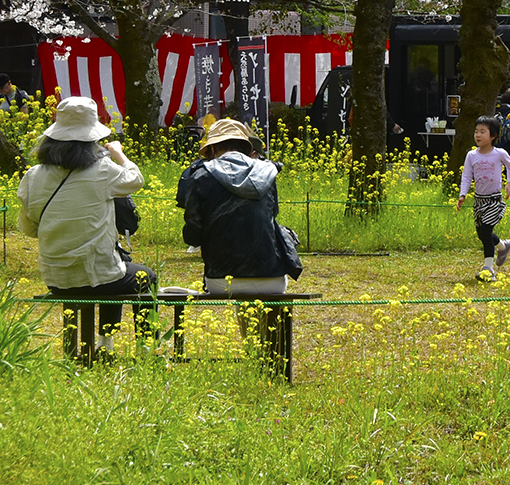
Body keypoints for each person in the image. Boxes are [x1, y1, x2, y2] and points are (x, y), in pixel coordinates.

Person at [17, 97, 148, 349]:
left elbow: (29, 229)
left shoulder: (32, 177)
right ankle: (136, 347)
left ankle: (90, 345)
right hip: (98, 276)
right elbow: (136, 180)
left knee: (118, 265)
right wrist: (119, 153)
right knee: (144, 277)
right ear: (92, 139)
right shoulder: (102, 170)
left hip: (56, 279)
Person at [177, 118, 303, 296]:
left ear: (212, 149)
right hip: (272, 279)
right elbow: (272, 214)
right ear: (247, 148)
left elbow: (193, 236)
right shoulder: (267, 172)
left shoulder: (200, 176)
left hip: (221, 281)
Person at [456, 115, 510, 280]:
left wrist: (509, 184)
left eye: (483, 131)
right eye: (476, 131)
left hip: (494, 200)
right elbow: (467, 176)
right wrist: (462, 195)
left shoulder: (499, 154)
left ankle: (488, 269)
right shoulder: (471, 155)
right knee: (482, 234)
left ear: (493, 136)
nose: (478, 135)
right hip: (479, 200)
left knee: (486, 231)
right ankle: (503, 246)